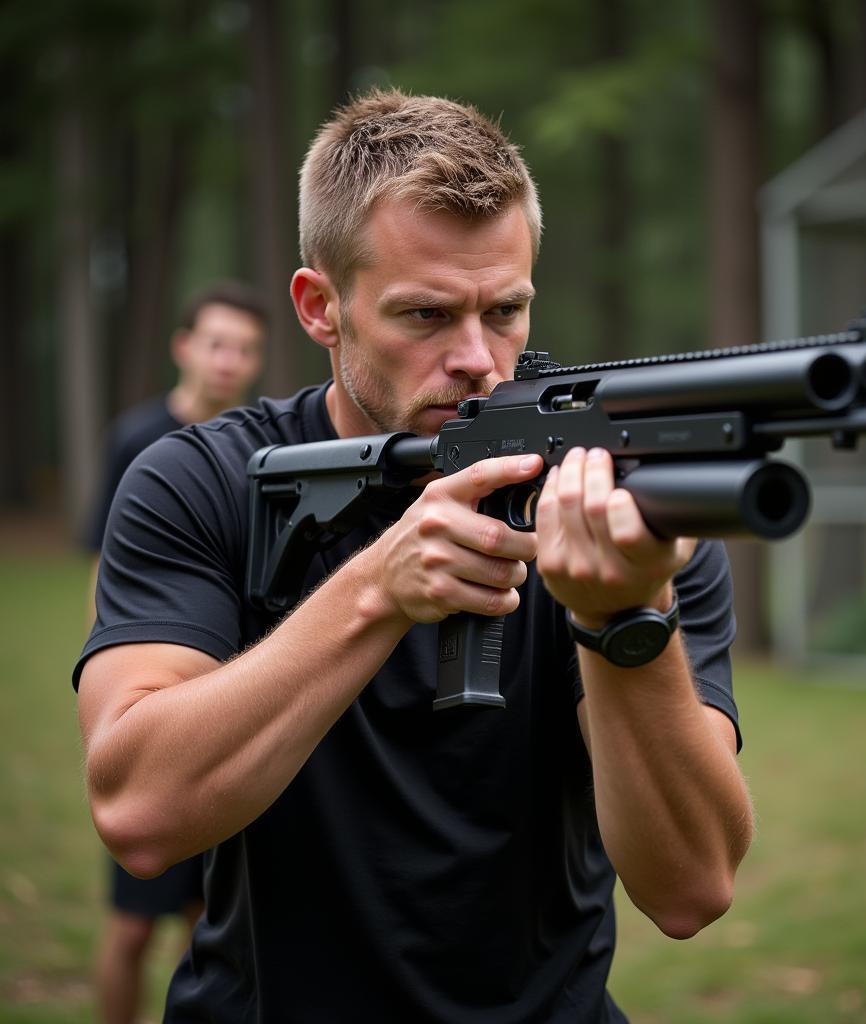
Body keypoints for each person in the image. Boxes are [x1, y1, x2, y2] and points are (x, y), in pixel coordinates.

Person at [75, 90, 754, 1022]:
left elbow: (691, 890)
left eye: (506, 310)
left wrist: (624, 618)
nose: (479, 358)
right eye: (427, 315)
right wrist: (377, 590)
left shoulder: (619, 519)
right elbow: (138, 816)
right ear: (321, 308)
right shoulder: (202, 481)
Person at [85, 281, 267, 1024]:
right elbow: (108, 568)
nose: (230, 362)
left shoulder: (270, 446)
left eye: (246, 350)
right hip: (157, 686)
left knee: (210, 915)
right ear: (184, 347)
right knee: (131, 926)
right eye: (217, 343)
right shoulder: (140, 442)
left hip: (234, 705)